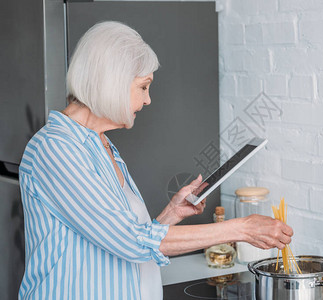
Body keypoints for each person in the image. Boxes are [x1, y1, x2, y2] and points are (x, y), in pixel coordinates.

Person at [18, 21, 293, 300]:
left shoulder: (99, 143)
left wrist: (170, 215)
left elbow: (125, 233)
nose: (148, 100)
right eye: (143, 87)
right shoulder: (56, 149)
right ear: (111, 82)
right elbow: (129, 241)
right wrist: (241, 229)